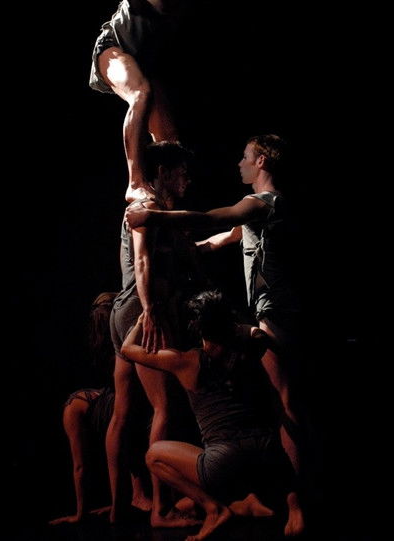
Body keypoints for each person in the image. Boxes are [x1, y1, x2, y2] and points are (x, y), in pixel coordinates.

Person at [29, 0, 301, 201]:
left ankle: (163, 204)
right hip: (113, 49)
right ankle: (135, 182)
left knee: (170, 141)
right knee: (141, 93)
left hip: (144, 65)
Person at [125, 134, 308, 486]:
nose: (240, 163)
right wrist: (184, 251)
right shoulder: (268, 210)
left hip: (276, 310)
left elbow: (210, 218)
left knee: (284, 402)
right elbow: (221, 238)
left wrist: (153, 217)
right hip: (272, 309)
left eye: (245, 156)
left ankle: (297, 500)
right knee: (282, 400)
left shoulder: (262, 203)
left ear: (262, 161)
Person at [121, 290, 305, 540]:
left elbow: (128, 349)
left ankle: (214, 510)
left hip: (223, 461)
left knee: (153, 456)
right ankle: (293, 510)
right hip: (266, 454)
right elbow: (258, 334)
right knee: (196, 498)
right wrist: (238, 328)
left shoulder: (186, 361)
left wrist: (144, 317)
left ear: (197, 328)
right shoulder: (246, 351)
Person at [106, 140, 210, 527]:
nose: (188, 180)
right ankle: (161, 510)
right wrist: (150, 310)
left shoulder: (160, 211)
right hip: (140, 310)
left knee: (123, 412)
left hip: (127, 310)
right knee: (163, 408)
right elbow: (144, 259)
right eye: (182, 172)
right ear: (163, 172)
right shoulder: (145, 204)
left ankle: (118, 509)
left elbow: (182, 253)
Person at [49, 292, 151, 525]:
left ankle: (121, 501)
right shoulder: (125, 344)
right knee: (125, 421)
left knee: (119, 422)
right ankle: (133, 497)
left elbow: (80, 467)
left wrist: (81, 514)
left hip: (121, 406)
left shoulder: (107, 349)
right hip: (125, 404)